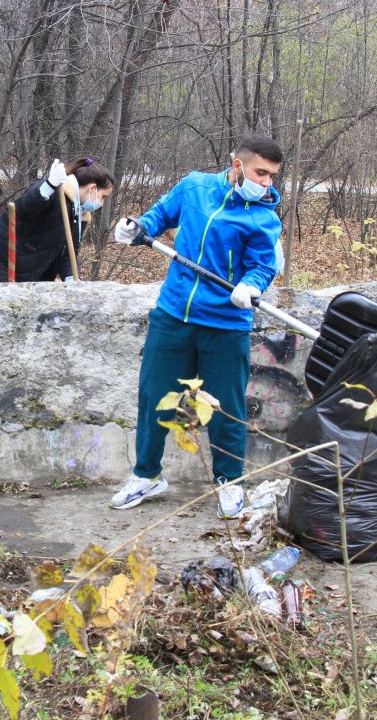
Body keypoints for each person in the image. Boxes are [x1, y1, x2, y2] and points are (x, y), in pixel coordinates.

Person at [110, 134, 284, 519]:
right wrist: (137, 226)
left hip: (226, 323)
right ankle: (146, 475)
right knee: (155, 396)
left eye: (272, 176)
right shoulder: (194, 186)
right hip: (173, 315)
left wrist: (252, 284)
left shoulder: (264, 217)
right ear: (237, 166)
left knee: (227, 408)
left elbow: (264, 264)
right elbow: (159, 217)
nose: (267, 183)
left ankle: (229, 482)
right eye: (261, 173)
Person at [0, 157, 115, 282]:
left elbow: (69, 252)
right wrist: (50, 184)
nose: (102, 203)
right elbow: (25, 210)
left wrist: (70, 278)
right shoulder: (54, 189)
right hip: (6, 257)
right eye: (103, 197)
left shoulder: (81, 213)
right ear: (92, 188)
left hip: (40, 263)